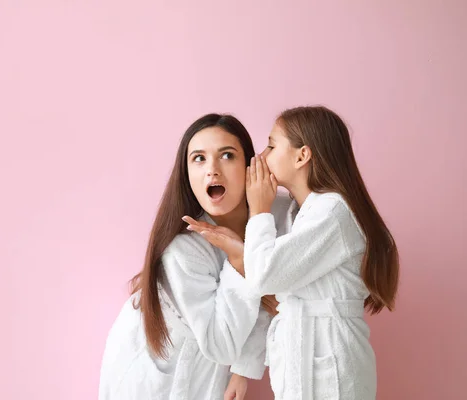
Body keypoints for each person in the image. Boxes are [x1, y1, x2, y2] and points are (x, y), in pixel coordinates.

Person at [187, 105, 400, 399]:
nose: (260, 156)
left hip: (333, 373)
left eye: (272, 146)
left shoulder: (333, 212)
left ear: (302, 156)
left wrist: (258, 210)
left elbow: (264, 276)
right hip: (302, 367)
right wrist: (244, 369)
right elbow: (272, 300)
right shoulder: (300, 213)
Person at [98, 113, 277, 400]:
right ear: (187, 173)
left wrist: (243, 369)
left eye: (227, 155)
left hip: (208, 357)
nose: (212, 170)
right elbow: (225, 341)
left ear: (248, 164)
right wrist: (240, 262)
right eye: (198, 159)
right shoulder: (184, 248)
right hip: (153, 363)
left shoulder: (274, 212)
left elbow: (268, 305)